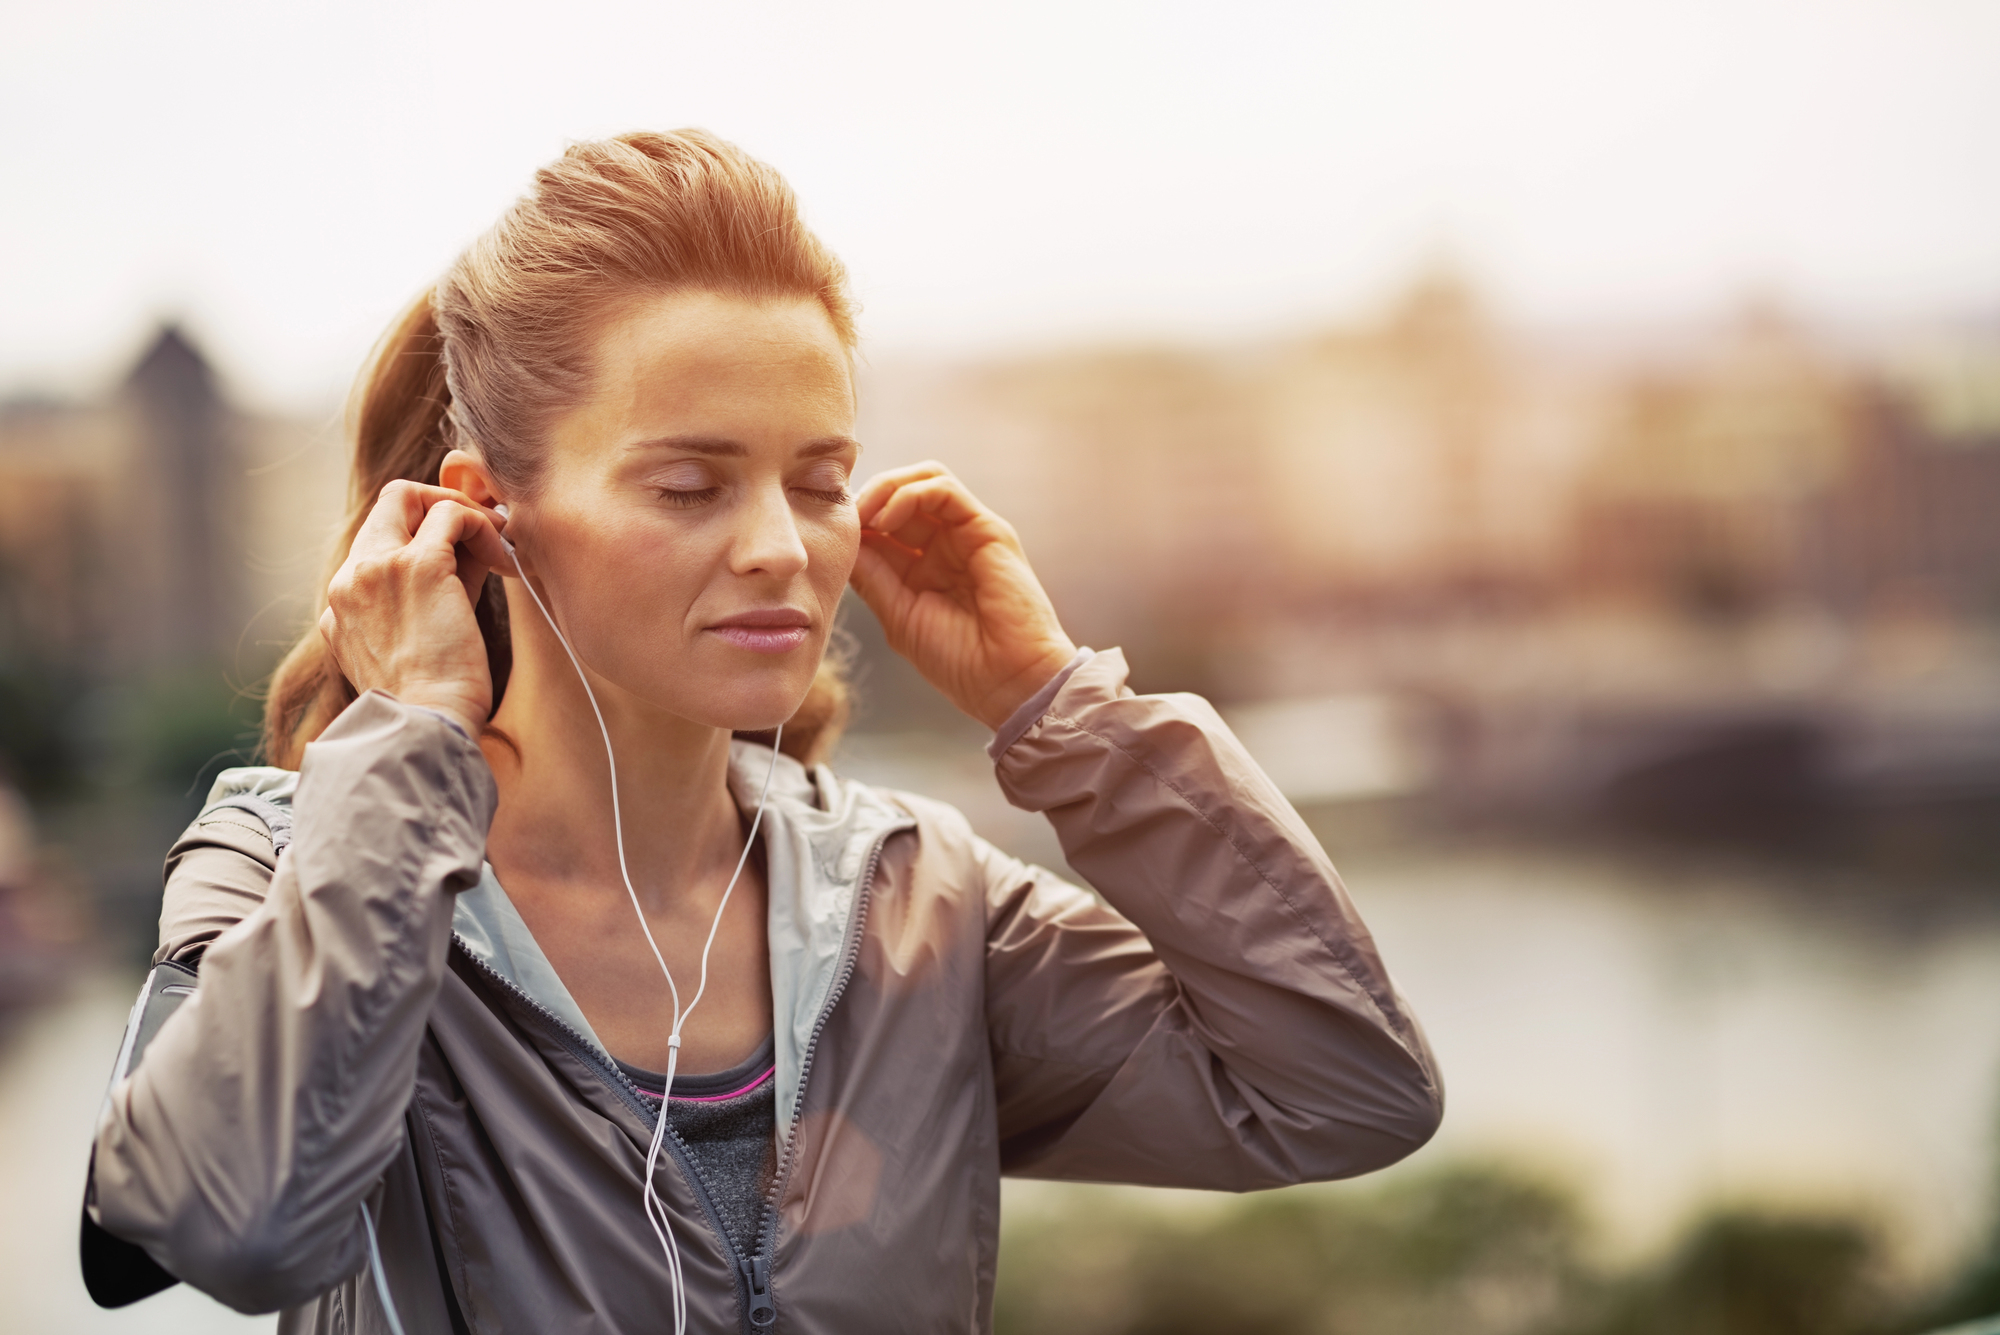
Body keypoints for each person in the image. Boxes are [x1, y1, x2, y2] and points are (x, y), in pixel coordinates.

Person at [83, 130, 1443, 1333]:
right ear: (485, 514)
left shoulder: (919, 900)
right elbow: (233, 1224)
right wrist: (402, 751)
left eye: (820, 480)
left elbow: (1346, 1091)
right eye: (690, 484)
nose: (782, 549)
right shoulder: (291, 865)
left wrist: (1061, 705)